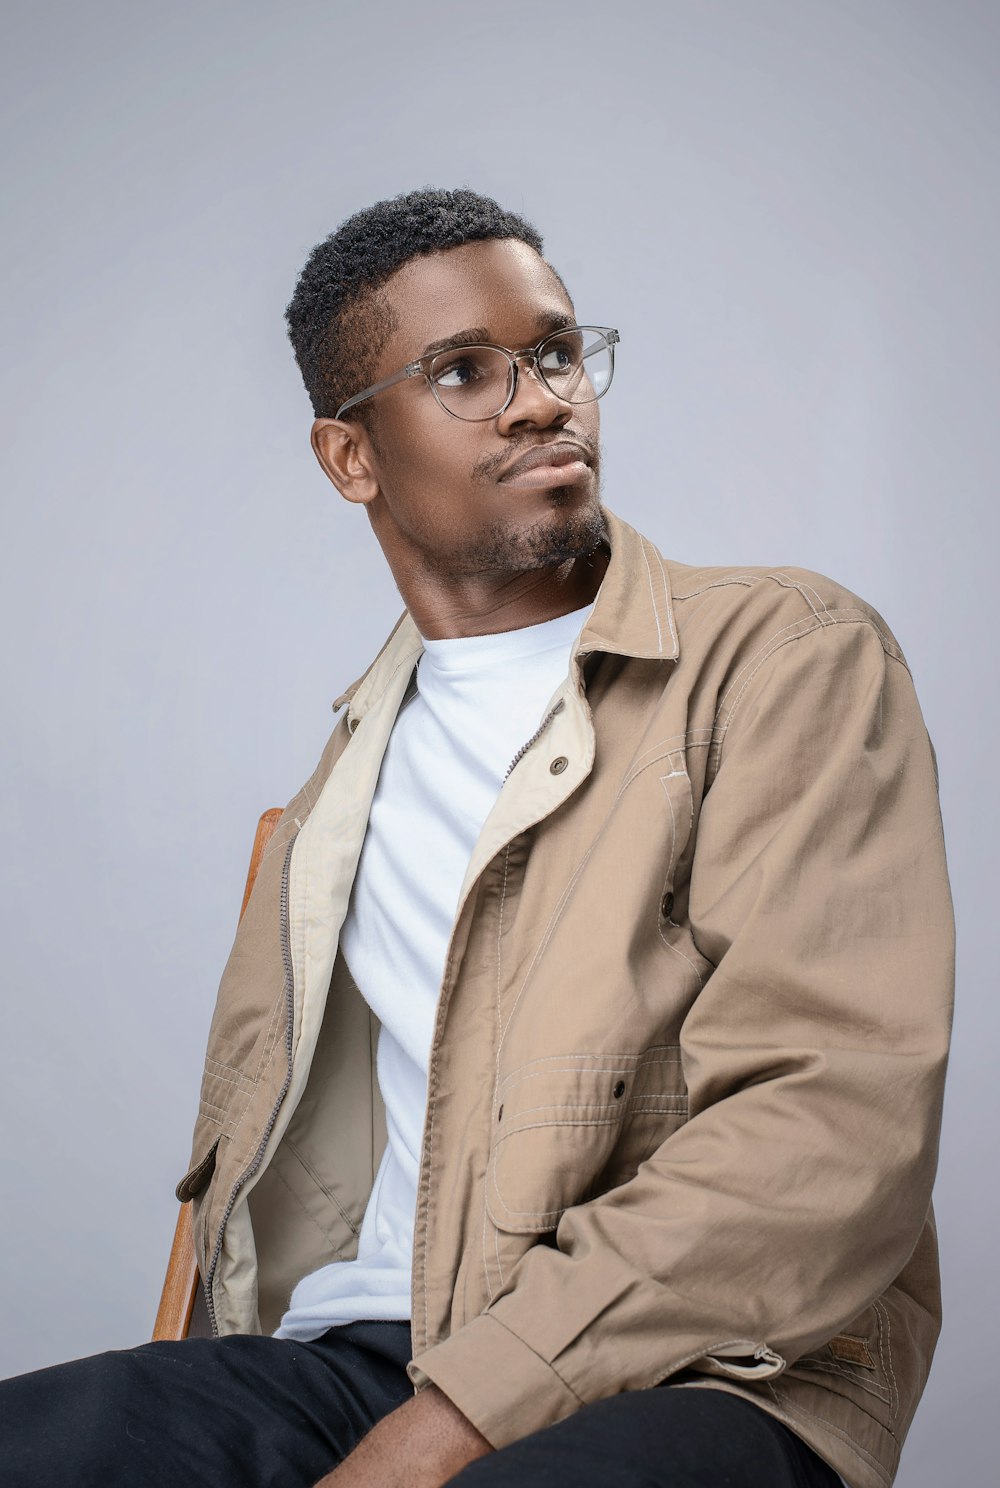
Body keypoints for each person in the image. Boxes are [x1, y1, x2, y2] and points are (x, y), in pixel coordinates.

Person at [1, 188, 953, 1488]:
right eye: (463, 371)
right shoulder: (342, 784)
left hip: (708, 1372)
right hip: (355, 1358)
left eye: (556, 352)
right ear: (351, 459)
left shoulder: (780, 659)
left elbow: (826, 1131)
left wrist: (444, 1429)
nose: (539, 399)